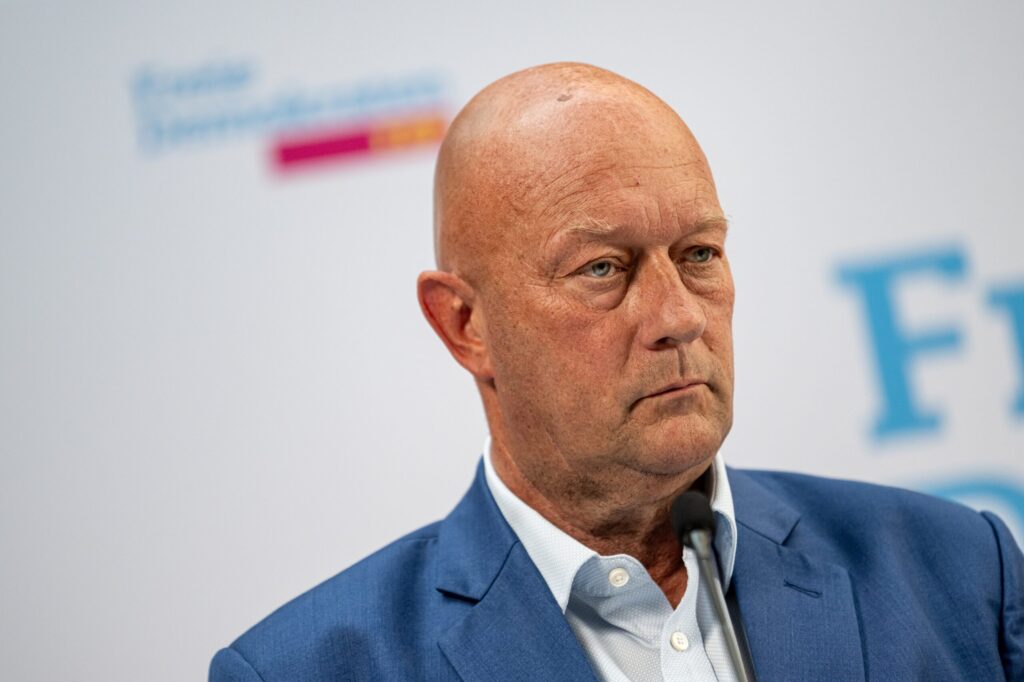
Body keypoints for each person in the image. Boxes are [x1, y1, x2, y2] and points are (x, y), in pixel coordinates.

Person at [210, 63, 1023, 681]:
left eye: (699, 254)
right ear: (465, 324)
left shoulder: (958, 571)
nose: (678, 317)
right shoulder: (309, 669)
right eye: (603, 268)